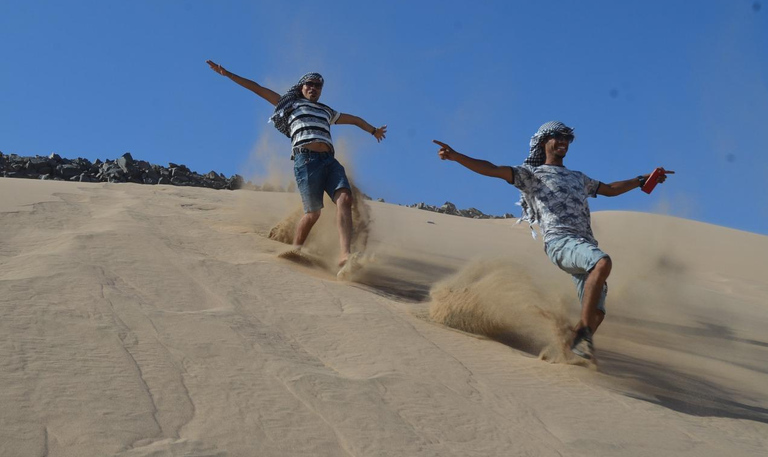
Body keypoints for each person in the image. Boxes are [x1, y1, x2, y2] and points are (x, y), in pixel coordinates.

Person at [433, 121, 673, 361]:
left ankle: (568, 352)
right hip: (560, 242)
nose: (563, 142)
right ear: (543, 142)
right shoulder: (531, 174)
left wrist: (641, 179)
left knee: (597, 313)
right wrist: (456, 156)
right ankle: (583, 335)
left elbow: (610, 189)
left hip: (583, 245)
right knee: (602, 263)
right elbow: (492, 168)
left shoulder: (578, 178)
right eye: (557, 136)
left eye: (567, 138)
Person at [207, 60, 387, 271]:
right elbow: (257, 88)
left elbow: (354, 119)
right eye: (309, 84)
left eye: (318, 86)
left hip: (330, 161)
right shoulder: (289, 104)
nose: (314, 88)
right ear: (301, 87)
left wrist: (373, 130)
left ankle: (345, 254)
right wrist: (228, 74)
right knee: (313, 213)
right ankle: (296, 249)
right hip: (306, 160)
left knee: (345, 199)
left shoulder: (326, 111)